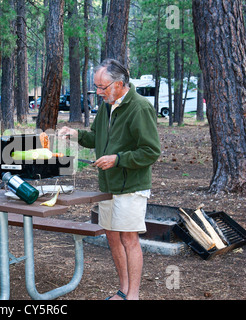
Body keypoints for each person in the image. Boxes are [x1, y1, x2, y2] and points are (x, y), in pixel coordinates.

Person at [59, 59, 160, 300]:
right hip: (108, 185)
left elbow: (151, 151)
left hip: (131, 186)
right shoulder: (107, 105)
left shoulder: (140, 108)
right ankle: (123, 291)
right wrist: (76, 135)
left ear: (120, 84)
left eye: (102, 87)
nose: (98, 92)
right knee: (113, 236)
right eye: (96, 87)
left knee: (128, 238)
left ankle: (133, 295)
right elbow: (97, 137)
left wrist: (118, 159)